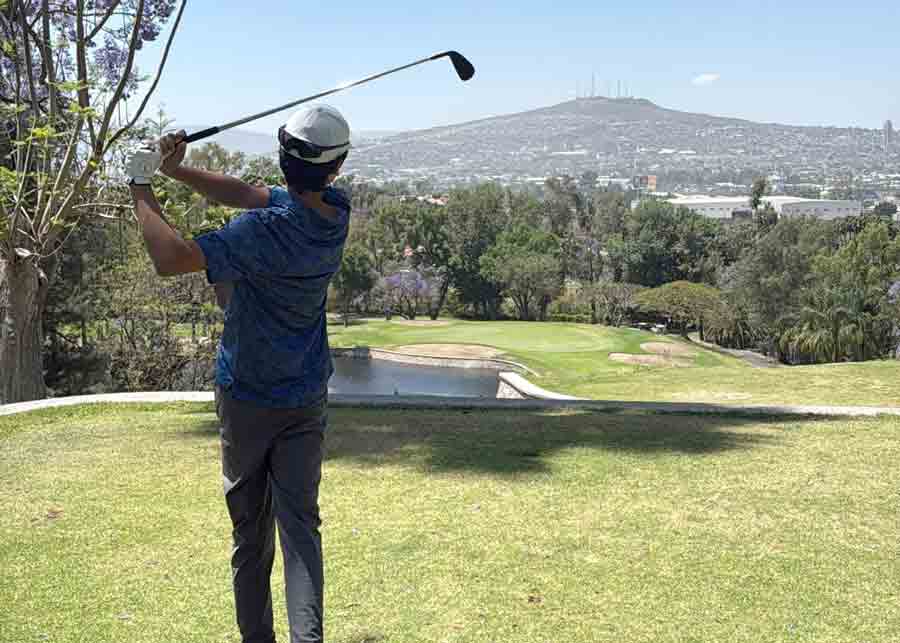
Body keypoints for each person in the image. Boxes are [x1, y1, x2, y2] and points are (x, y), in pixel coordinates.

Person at [126, 104, 353, 643]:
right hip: (305, 397)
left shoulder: (256, 233)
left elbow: (172, 258)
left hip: (247, 396)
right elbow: (248, 193)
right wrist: (176, 170)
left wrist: (141, 186)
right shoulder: (336, 212)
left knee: (250, 537)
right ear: (336, 168)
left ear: (282, 156)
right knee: (301, 530)